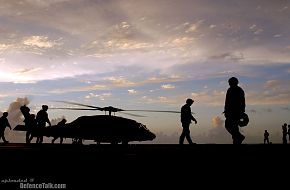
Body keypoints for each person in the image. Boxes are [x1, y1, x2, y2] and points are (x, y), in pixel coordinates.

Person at [224, 77, 246, 144]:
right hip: (230, 111)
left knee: (233, 126)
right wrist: (225, 110)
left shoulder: (239, 90)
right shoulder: (229, 90)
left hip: (236, 111)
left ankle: (237, 139)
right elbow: (227, 101)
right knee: (229, 125)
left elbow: (242, 101)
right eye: (229, 83)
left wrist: (242, 111)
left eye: (230, 82)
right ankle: (238, 138)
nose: (229, 84)